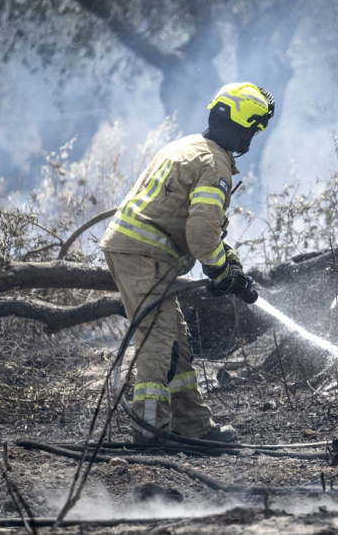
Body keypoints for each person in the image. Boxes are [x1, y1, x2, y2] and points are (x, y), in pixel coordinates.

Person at [100, 82, 274, 443]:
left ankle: (193, 427)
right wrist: (223, 274)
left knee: (176, 341)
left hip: (144, 253)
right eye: (254, 129)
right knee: (159, 341)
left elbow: (199, 227)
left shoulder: (189, 146)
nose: (251, 139)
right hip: (144, 255)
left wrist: (229, 263)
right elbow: (201, 237)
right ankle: (151, 431)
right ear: (243, 125)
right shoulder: (214, 165)